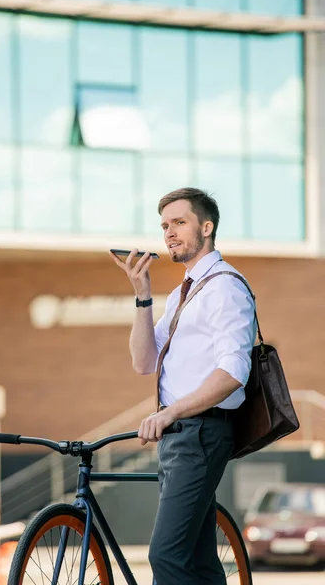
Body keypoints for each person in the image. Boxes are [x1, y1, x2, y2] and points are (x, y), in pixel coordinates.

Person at [110, 187, 256, 584]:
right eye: (164, 226)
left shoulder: (225, 287)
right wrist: (143, 296)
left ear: (206, 227)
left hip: (201, 431)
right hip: (180, 437)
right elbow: (143, 361)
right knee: (198, 561)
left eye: (179, 222)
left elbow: (233, 371)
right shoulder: (182, 293)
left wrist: (171, 410)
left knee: (167, 556)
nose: (169, 233)